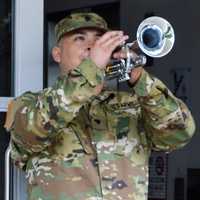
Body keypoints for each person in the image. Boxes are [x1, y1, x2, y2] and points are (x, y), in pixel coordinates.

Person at [4, 12, 195, 200]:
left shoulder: (132, 105)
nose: (91, 46)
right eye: (80, 38)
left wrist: (139, 77)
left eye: (99, 39)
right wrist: (90, 70)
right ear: (57, 54)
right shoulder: (30, 104)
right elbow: (29, 134)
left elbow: (178, 134)